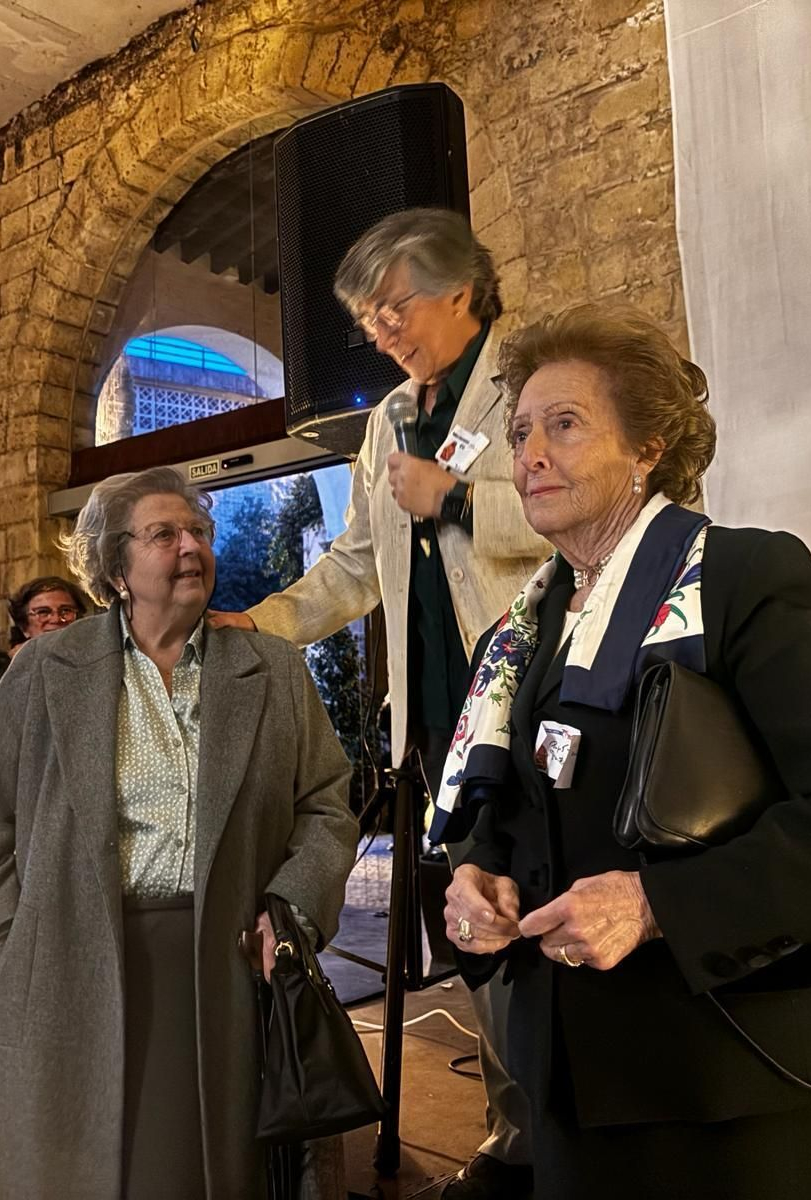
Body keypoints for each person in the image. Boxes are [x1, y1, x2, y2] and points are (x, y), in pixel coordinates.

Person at [436, 305, 811, 1199]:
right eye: (519, 433)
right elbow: (511, 816)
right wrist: (477, 878)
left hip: (723, 1086)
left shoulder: (739, 579)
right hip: (568, 1093)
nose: (530, 455)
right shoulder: (514, 638)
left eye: (564, 424)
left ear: (648, 447)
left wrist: (655, 905)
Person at [209, 208, 547, 1199]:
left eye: (395, 304)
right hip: (437, 727)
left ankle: (587, 1137)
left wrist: (452, 498)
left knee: (551, 916)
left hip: (534, 699)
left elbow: (590, 506)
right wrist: (261, 625)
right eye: (367, 316)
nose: (382, 328)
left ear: (463, 289)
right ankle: (515, 1136)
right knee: (473, 927)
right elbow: (356, 563)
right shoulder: (389, 419)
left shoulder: (534, 381)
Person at [0, 467, 359, 1198]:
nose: (190, 546)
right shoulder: (45, 669)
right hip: (71, 959)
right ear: (115, 566)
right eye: (164, 534)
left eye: (198, 531)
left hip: (224, 964)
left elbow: (327, 803)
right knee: (80, 1167)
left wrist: (292, 909)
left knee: (202, 1168)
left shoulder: (271, 667)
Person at [6, 575, 89, 649]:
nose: (56, 619)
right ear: (24, 628)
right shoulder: (15, 665)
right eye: (43, 612)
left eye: (66, 610)